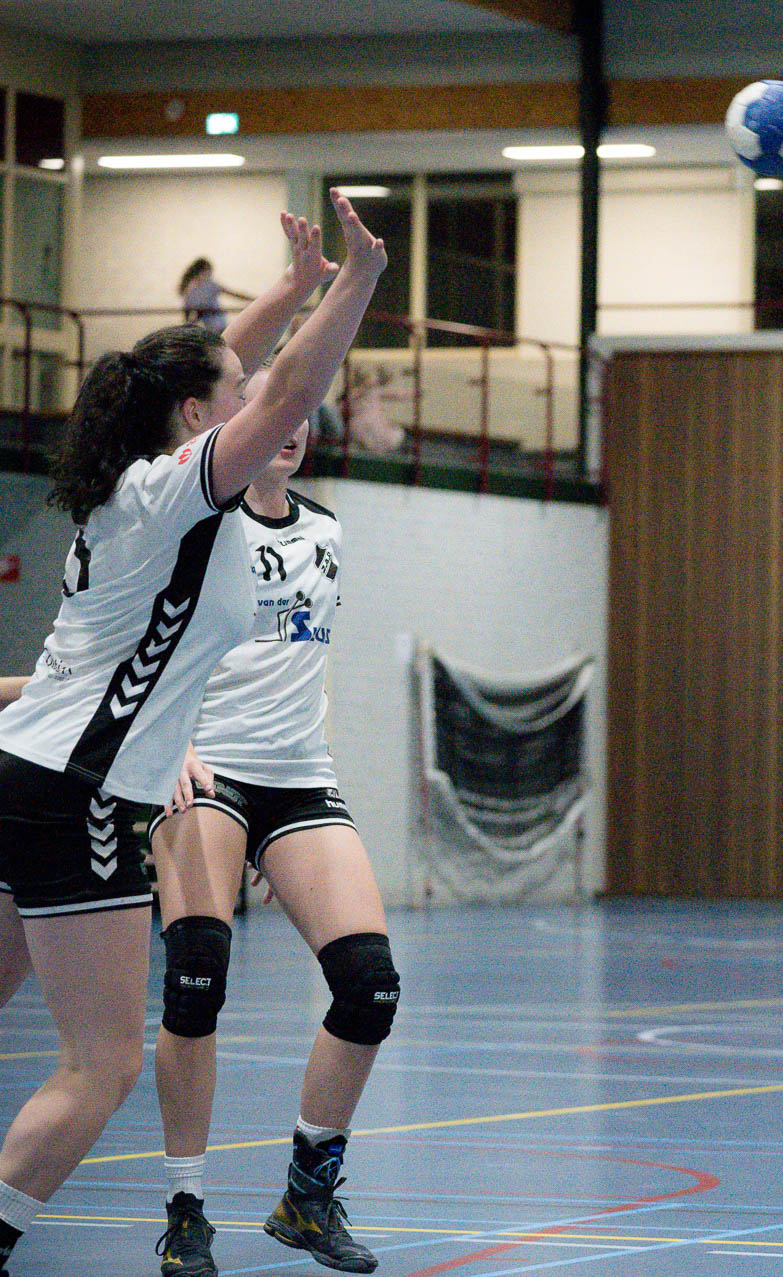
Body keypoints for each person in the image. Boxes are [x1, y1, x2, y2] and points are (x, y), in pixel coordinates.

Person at [0, 191, 384, 1276]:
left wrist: (293, 286)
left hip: (24, 768)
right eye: (232, 395)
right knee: (102, 1063)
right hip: (80, 792)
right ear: (195, 419)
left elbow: (220, 366)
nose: (251, 396)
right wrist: (357, 280)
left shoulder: (122, 488)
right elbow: (292, 386)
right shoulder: (177, 494)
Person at [146, 413, 393, 1277]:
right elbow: (139, 641)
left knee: (371, 985)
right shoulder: (196, 524)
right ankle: (185, 1208)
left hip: (297, 776)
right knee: (197, 973)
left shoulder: (326, 529)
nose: (289, 426)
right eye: (271, 410)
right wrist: (166, 742)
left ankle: (306, 1197)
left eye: (301, 414)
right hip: (203, 765)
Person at [178, 259, 227, 335]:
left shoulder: (191, 289)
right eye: (208, 271)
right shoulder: (207, 286)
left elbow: (189, 314)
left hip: (211, 327)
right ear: (202, 271)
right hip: (216, 326)